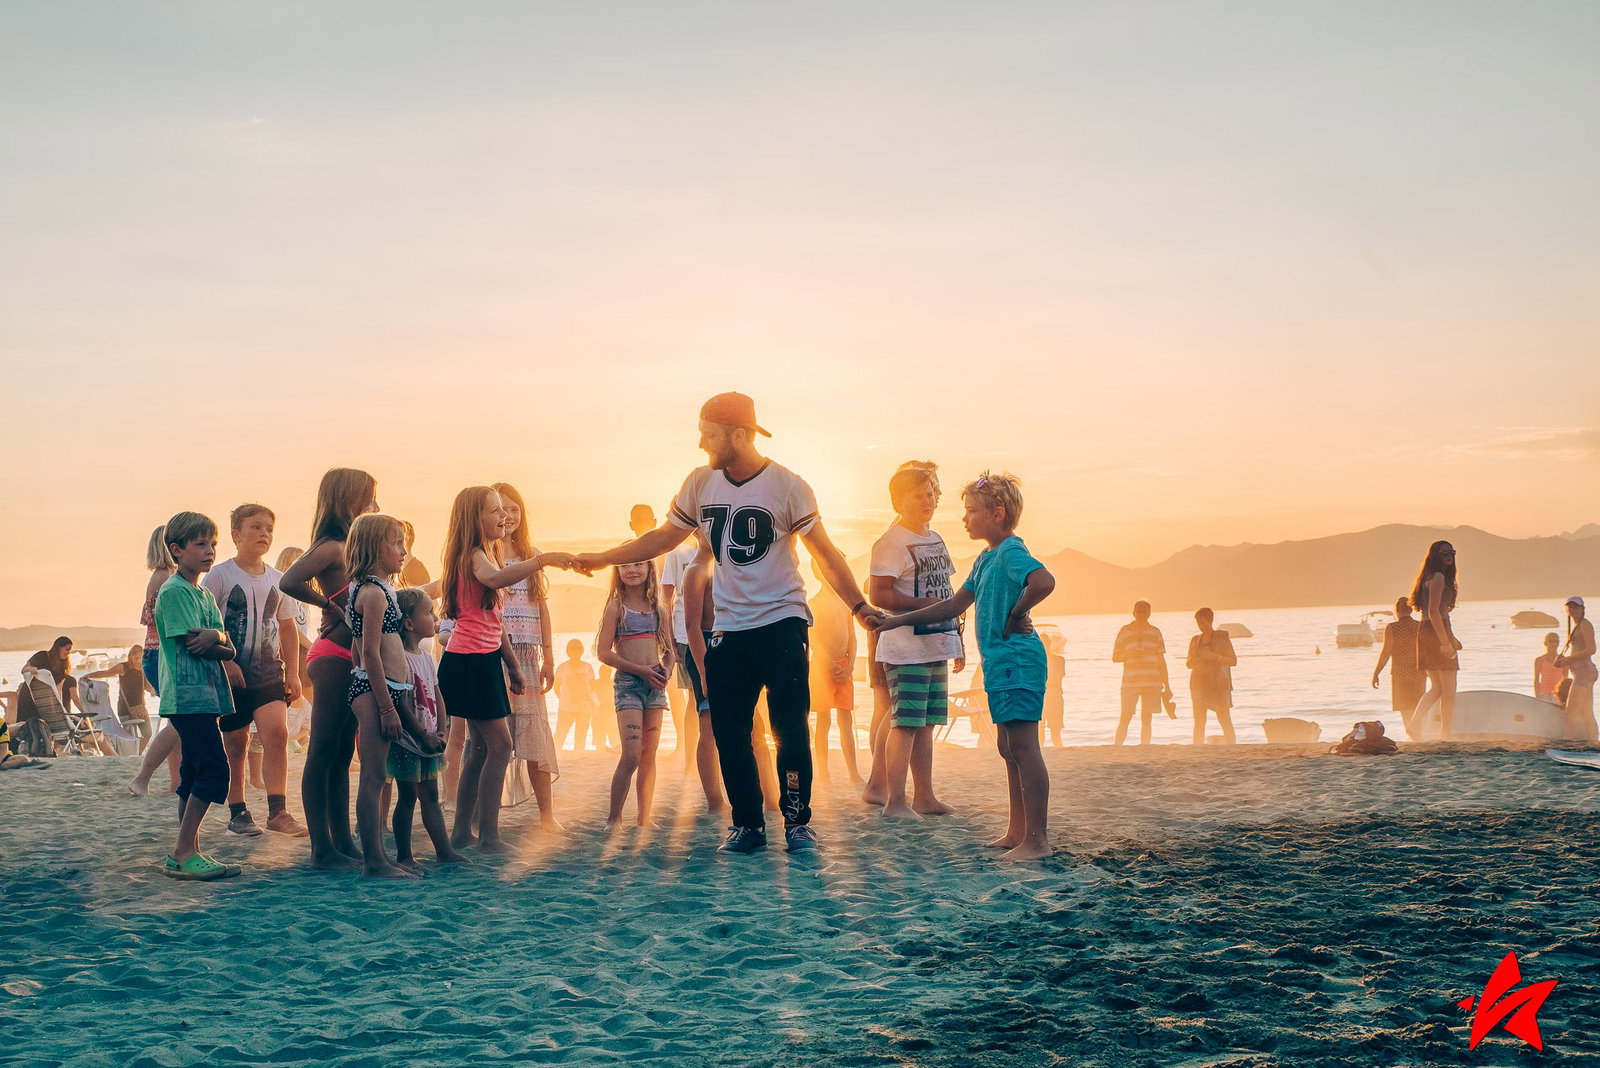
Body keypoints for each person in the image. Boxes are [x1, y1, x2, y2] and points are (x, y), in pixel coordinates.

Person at [573, 392, 884, 855]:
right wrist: (602, 558)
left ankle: (798, 822)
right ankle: (748, 825)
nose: (701, 444)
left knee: (789, 727)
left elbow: (826, 553)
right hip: (729, 628)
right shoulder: (700, 483)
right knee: (730, 731)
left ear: (738, 435)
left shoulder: (788, 486)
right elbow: (663, 537)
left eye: (708, 434)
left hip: (782, 619)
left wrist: (860, 608)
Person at [878, 472, 1055, 862]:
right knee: (1008, 747)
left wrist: (1017, 613)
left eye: (972, 511)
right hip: (1000, 664)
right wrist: (893, 621)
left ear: (997, 513)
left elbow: (1043, 581)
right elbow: (952, 606)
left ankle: (1037, 841)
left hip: (1018, 661)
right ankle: (1017, 831)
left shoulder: (1010, 551)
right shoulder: (985, 558)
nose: (964, 519)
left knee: (1024, 748)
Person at [439, 485, 575, 854]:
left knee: (482, 748)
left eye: (505, 510)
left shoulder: (486, 553)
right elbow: (496, 581)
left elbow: (494, 623)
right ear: (475, 518)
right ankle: (488, 836)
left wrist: (513, 665)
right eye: (495, 510)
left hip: (481, 660)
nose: (503, 517)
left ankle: (462, 834)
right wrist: (543, 560)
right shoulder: (474, 555)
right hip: (468, 662)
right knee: (499, 746)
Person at [282, 468, 378, 870]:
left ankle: (343, 842)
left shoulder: (352, 550)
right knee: (322, 750)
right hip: (332, 655)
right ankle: (322, 848)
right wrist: (329, 605)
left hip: (351, 657)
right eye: (370, 499)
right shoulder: (332, 546)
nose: (376, 506)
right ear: (349, 501)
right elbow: (289, 581)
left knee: (341, 753)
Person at [865, 460, 962, 818]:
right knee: (905, 723)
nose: (930, 500)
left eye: (933, 494)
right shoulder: (891, 542)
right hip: (905, 648)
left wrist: (957, 639)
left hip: (937, 643)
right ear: (900, 501)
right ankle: (896, 801)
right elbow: (879, 594)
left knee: (927, 724)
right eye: (921, 495)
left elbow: (947, 593)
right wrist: (922, 604)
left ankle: (925, 797)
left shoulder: (935, 538)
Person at [202, 503, 305, 837]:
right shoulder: (219, 575)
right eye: (256, 527)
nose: (264, 534)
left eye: (269, 529)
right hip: (231, 673)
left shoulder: (279, 579)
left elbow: (287, 628)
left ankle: (279, 811)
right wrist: (225, 661)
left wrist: (293, 674)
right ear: (236, 534)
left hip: (269, 671)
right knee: (236, 743)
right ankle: (238, 810)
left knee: (277, 733)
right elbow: (206, 624)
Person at [154, 512, 242, 881]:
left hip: (207, 696)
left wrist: (216, 638)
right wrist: (213, 640)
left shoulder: (203, 593)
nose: (210, 552)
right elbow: (194, 645)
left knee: (192, 771)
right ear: (177, 550)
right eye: (201, 544)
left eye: (213, 544)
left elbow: (227, 648)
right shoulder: (174, 591)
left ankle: (186, 848)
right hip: (188, 697)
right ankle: (183, 850)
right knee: (214, 770)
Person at [344, 512, 428, 878]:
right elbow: (369, 653)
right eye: (396, 543)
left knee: (382, 776)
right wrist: (385, 706)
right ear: (376, 547)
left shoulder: (380, 590)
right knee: (374, 777)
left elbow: (354, 646)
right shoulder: (374, 593)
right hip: (377, 692)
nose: (403, 551)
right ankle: (375, 862)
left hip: (389, 689)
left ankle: (381, 856)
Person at [494, 482, 561, 832]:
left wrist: (549, 657)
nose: (508, 515)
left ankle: (547, 817)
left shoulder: (531, 554)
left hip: (528, 654)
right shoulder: (485, 555)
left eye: (514, 508)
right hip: (493, 654)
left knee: (535, 735)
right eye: (500, 508)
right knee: (494, 738)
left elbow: (542, 608)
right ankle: (481, 816)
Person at [596, 560, 676, 830]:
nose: (632, 570)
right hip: (629, 685)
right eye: (624, 565)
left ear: (649, 569)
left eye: (639, 564)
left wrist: (665, 670)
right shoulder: (616, 608)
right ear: (616, 572)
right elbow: (604, 653)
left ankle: (644, 818)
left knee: (649, 754)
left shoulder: (659, 609)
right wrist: (641, 671)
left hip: (654, 686)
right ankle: (614, 818)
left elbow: (670, 651)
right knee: (631, 754)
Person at [391, 587, 467, 869]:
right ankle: (404, 855)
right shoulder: (399, 657)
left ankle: (444, 850)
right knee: (408, 797)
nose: (435, 617)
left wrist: (442, 731)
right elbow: (401, 701)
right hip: (409, 741)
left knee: (432, 797)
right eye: (429, 612)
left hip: (431, 739)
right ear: (409, 623)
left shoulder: (426, 657)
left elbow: (437, 695)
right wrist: (422, 735)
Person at [129, 526, 180, 793]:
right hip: (162, 656)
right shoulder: (164, 579)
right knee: (181, 720)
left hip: (157, 654)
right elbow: (166, 625)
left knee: (176, 721)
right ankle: (143, 777)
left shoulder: (164, 577)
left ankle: (176, 783)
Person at [679, 538, 727, 815]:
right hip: (706, 647)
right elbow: (691, 626)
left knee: (753, 725)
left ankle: (769, 798)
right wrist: (704, 670)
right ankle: (715, 802)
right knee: (707, 723)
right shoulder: (697, 569)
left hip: (732, 642)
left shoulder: (728, 564)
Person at [809, 557, 861, 785]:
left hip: (844, 666)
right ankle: (824, 772)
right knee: (823, 719)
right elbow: (813, 638)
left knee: (845, 720)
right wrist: (828, 662)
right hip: (822, 667)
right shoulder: (815, 602)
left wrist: (849, 665)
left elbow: (853, 638)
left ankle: (853, 772)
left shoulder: (844, 603)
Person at [1408, 540, 1462, 739]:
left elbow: (1434, 614)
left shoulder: (1427, 578)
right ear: (1435, 555)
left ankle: (1414, 724)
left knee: (1438, 687)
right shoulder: (1438, 577)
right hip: (1435, 631)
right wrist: (1445, 642)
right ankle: (1445, 733)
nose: (1449, 556)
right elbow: (1434, 612)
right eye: (1444, 553)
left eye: (1452, 552)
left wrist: (1452, 638)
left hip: (1427, 631)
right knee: (1449, 689)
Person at [1112, 602, 1170, 745]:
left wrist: (1167, 685)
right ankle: (1117, 746)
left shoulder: (1155, 632)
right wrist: (1130, 654)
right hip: (1130, 683)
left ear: (1149, 613)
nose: (1142, 614)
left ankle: (1145, 746)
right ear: (1134, 613)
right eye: (1139, 611)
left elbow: (1161, 659)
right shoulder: (1125, 631)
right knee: (1125, 716)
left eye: (1145, 611)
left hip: (1152, 682)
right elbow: (1115, 657)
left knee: (1147, 718)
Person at [85, 645, 155, 749]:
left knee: (148, 733)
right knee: (128, 737)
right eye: (136, 658)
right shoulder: (123, 667)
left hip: (140, 707)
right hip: (125, 708)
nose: (138, 660)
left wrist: (153, 691)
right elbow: (106, 673)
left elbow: (145, 685)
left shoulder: (142, 668)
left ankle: (137, 753)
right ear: (130, 656)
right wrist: (88, 676)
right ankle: (132, 754)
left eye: (141, 658)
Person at [1186, 607, 1237, 744]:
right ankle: (1197, 747)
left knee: (1224, 718)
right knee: (1199, 720)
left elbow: (1233, 661)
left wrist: (1214, 657)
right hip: (1198, 684)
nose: (1200, 626)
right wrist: (1197, 660)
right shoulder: (1195, 640)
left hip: (1218, 684)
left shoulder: (1222, 637)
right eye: (1198, 623)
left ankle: (1232, 746)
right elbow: (1188, 663)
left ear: (1210, 621)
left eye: (1202, 622)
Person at [1371, 597, 1425, 718]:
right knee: (1419, 709)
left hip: (1400, 675)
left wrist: (1376, 673)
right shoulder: (1419, 626)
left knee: (1405, 710)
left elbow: (1386, 652)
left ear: (1396, 610)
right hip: (1419, 674)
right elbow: (1426, 651)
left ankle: (1411, 735)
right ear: (1411, 610)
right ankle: (1419, 734)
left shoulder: (1392, 628)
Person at [1555, 596, 1596, 741]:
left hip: (1584, 673)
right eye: (1570, 607)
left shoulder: (1585, 625)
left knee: (1570, 712)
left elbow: (1591, 650)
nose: (1573, 610)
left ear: (1582, 609)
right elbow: (1578, 649)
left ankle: (1568, 742)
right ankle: (1594, 743)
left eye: (1576, 607)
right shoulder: (1577, 626)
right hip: (1582, 672)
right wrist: (1564, 660)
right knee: (1585, 713)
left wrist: (1567, 660)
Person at [553, 640, 599, 752]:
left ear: (582, 650)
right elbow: (556, 687)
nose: (576, 650)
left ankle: (578, 756)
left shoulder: (588, 667)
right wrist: (564, 699)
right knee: (560, 734)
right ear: (568, 651)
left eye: (579, 648)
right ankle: (554, 755)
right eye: (573, 648)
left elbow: (593, 687)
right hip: (566, 707)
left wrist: (592, 703)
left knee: (581, 735)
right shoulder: (562, 667)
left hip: (584, 707)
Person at [1042, 631, 1066, 748]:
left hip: (1050, 696)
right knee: (1044, 731)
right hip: (1048, 696)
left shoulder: (1059, 660)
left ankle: (1058, 748)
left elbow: (1058, 677)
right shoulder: (1059, 660)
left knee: (1055, 731)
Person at [1534, 632, 1567, 703]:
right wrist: (1537, 697)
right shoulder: (1539, 660)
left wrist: (1564, 699)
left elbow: (1565, 681)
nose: (1553, 644)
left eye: (1556, 641)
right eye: (1551, 641)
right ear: (1545, 643)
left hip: (1558, 694)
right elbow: (1536, 680)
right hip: (1543, 693)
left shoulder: (1564, 660)